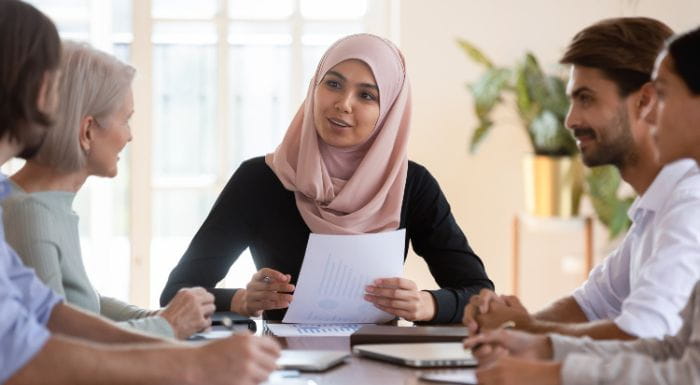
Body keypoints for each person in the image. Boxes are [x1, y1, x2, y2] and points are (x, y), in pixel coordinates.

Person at [1, 1, 279, 384]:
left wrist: (165, 330)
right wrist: (187, 354)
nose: (55, 101)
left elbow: (49, 310)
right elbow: (31, 350)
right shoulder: (23, 209)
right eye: (50, 79)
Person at [161, 33, 493, 324]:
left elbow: (480, 294)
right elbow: (176, 293)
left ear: (390, 110)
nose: (342, 104)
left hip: (380, 361)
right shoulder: (260, 179)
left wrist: (428, 304)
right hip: (283, 364)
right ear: (314, 88)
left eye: (367, 95)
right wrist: (241, 300)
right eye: (333, 84)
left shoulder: (411, 184)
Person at [463, 24, 700, 385]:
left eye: (586, 98)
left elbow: (650, 341)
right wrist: (525, 339)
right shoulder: (659, 207)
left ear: (644, 100)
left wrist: (539, 351)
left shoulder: (689, 205)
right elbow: (599, 309)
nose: (570, 119)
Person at [1, 41, 215, 340]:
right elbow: (57, 342)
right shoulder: (29, 212)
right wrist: (167, 326)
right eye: (125, 120)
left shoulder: (48, 205)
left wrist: (161, 318)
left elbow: (86, 307)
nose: (130, 136)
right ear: (87, 130)